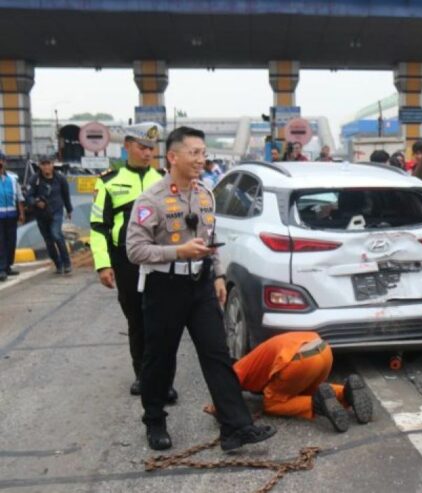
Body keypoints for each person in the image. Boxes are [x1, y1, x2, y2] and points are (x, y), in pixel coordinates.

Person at [126, 126, 275, 451]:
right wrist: (178, 252)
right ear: (173, 156)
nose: (200, 159)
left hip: (202, 283)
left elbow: (211, 242)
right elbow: (135, 251)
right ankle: (154, 420)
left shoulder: (206, 194)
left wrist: (218, 275)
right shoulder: (150, 200)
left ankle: (235, 427)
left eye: (203, 153)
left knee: (217, 354)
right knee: (160, 358)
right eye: (194, 153)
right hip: (164, 286)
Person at [89, 122, 174, 399]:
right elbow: (99, 227)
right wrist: (103, 264)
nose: (148, 153)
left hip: (159, 260)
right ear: (127, 146)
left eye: (151, 148)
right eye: (142, 147)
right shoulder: (109, 181)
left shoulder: (163, 179)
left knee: (161, 322)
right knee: (137, 321)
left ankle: (163, 380)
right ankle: (143, 376)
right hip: (126, 262)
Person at [205, 332, 374, 433]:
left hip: (299, 359)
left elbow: (225, 389)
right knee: (307, 390)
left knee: (271, 403)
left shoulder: (238, 369)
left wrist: (216, 407)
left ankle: (317, 404)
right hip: (323, 350)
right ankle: (346, 392)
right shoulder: (255, 358)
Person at [26, 155, 73, 274]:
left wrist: (69, 209)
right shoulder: (34, 179)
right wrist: (36, 202)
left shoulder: (60, 178)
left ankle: (67, 263)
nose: (46, 166)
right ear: (40, 166)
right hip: (41, 215)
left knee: (56, 234)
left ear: (53, 164)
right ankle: (58, 264)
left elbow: (66, 195)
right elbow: (28, 196)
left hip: (56, 212)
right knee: (48, 241)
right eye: (43, 164)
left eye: (48, 163)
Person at [0, 150, 25, 281]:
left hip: (11, 216)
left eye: (1, 160)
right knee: (1, 243)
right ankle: (2, 269)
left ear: (4, 162)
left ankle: (8, 266)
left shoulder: (13, 178)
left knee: (11, 242)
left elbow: (19, 198)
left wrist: (21, 213)